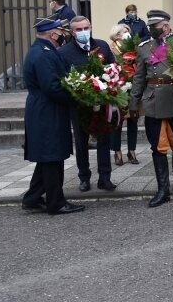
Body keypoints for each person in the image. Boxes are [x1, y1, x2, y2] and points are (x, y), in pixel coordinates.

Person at [21, 17, 85, 215]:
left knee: (48, 155)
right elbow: (52, 87)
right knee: (52, 156)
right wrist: (76, 98)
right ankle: (56, 202)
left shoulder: (43, 50)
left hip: (45, 108)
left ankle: (32, 198)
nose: (62, 34)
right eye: (60, 31)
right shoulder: (44, 54)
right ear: (52, 33)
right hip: (47, 110)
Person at [129, 9, 173, 207]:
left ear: (165, 25)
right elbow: (139, 77)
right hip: (153, 101)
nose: (150, 29)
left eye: (153, 26)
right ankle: (162, 189)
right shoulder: (144, 48)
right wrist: (133, 103)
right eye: (149, 26)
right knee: (158, 146)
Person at [59, 16, 117, 192]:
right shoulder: (64, 52)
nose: (83, 32)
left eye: (86, 28)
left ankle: (105, 177)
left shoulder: (102, 46)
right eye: (78, 29)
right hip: (79, 106)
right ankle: (84, 177)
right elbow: (63, 78)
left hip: (102, 102)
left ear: (91, 27)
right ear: (72, 32)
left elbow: (112, 68)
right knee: (81, 141)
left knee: (104, 140)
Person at [108, 24, 139, 166]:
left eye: (127, 32)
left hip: (132, 87)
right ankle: (117, 151)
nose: (126, 34)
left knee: (133, 120)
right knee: (117, 121)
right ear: (116, 34)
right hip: (118, 87)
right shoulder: (112, 48)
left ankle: (132, 150)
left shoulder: (133, 47)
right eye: (123, 32)